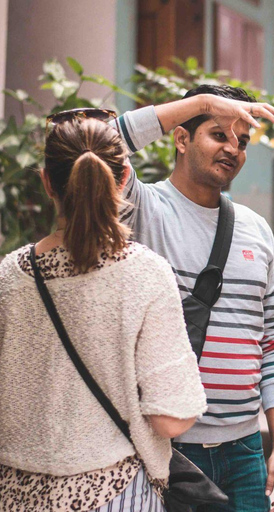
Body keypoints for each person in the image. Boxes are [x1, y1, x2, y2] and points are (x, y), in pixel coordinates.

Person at [0, 113, 208, 511]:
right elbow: (171, 417)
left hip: (15, 494)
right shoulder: (144, 273)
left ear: (46, 181)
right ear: (125, 177)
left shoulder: (10, 276)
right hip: (114, 491)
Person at [112, 86, 274, 511]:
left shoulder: (257, 230)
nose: (233, 149)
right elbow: (98, 145)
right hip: (168, 450)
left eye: (243, 141)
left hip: (247, 452)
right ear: (181, 138)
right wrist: (202, 105)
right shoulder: (145, 208)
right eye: (218, 133)